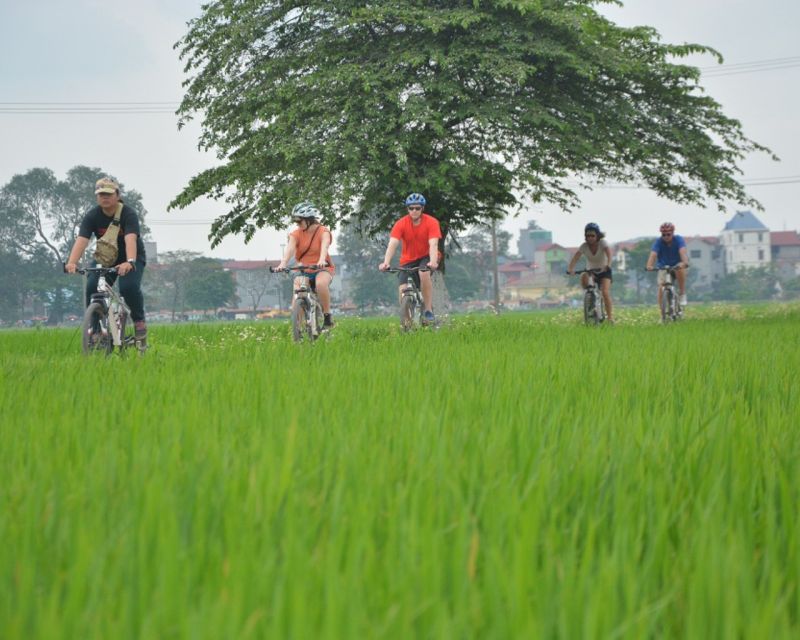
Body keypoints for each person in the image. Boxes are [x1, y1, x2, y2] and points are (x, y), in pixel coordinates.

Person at [65, 177, 148, 347]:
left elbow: (131, 240)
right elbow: (82, 240)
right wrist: (72, 262)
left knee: (128, 287)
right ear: (97, 197)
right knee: (92, 286)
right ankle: (96, 328)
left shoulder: (128, 214)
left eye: (109, 194)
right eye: (101, 194)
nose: (105, 197)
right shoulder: (92, 216)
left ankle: (139, 322)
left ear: (117, 195)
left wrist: (130, 262)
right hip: (106, 258)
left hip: (131, 257)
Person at [378, 193, 441, 324]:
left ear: (422, 208)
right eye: (411, 208)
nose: (414, 211)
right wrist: (386, 262)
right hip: (408, 259)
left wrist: (433, 261)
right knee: (402, 289)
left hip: (427, 256)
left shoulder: (432, 222)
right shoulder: (401, 224)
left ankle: (428, 310)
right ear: (407, 209)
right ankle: (406, 319)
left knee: (423, 273)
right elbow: (393, 244)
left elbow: (433, 244)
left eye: (417, 208)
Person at [274, 202, 336, 328]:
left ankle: (327, 316)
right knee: (297, 293)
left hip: (322, 268)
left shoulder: (323, 231)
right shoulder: (295, 234)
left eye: (299, 221)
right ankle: (299, 327)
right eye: (296, 222)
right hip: (304, 269)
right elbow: (290, 249)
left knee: (320, 284)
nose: (297, 225)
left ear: (309, 220)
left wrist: (321, 260)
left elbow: (324, 246)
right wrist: (283, 263)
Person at [567, 222, 614, 323]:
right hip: (591, 271)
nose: (590, 238)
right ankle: (590, 302)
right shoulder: (584, 246)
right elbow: (575, 258)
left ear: (597, 235)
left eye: (592, 235)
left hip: (604, 271)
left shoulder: (603, 243)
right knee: (585, 278)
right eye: (588, 235)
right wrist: (570, 269)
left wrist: (609, 265)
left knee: (605, 292)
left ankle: (610, 318)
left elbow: (609, 255)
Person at [646, 222, 690, 307]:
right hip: (664, 267)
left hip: (677, 265)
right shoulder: (658, 242)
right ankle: (662, 314)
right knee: (661, 288)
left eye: (668, 234)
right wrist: (649, 266)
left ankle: (682, 293)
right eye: (663, 234)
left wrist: (685, 262)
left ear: (673, 233)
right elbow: (653, 254)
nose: (666, 236)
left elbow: (682, 252)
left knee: (679, 269)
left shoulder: (678, 239)